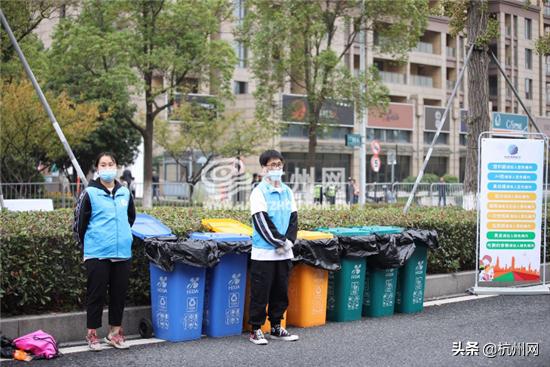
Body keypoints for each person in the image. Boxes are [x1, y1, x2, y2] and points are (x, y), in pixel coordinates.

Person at [73, 152, 136, 351]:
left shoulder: (125, 192)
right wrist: (88, 245)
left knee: (119, 294)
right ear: (97, 168)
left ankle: (114, 333)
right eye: (103, 164)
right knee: (96, 295)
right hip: (97, 253)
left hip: (122, 252)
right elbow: (79, 224)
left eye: (111, 163)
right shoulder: (89, 193)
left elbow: (131, 218)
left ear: (116, 166)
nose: (107, 167)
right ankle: (92, 334)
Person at [248, 150, 299, 345]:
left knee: (280, 291)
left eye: (279, 164)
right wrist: (279, 242)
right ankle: (256, 329)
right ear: (263, 169)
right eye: (271, 165)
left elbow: (294, 219)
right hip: (264, 253)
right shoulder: (258, 192)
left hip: (284, 252)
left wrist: (289, 242)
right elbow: (261, 222)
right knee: (261, 292)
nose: (276, 168)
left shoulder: (287, 191)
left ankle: (276, 327)